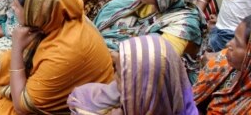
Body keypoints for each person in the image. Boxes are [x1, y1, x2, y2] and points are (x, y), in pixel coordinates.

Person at [0, 0, 114, 114]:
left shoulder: (63, 51)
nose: (12, 8)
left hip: (82, 107)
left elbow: (21, 106)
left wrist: (16, 48)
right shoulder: (58, 18)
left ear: (34, 11)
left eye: (16, 6)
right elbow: (31, 53)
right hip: (62, 82)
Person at [93, 0, 206, 82]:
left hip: (153, 82)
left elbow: (157, 63)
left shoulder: (185, 23)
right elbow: (108, 14)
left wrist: (116, 56)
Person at [68, 35, 198, 115]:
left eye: (119, 76)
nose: (113, 78)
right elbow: (81, 98)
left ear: (144, 91)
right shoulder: (159, 94)